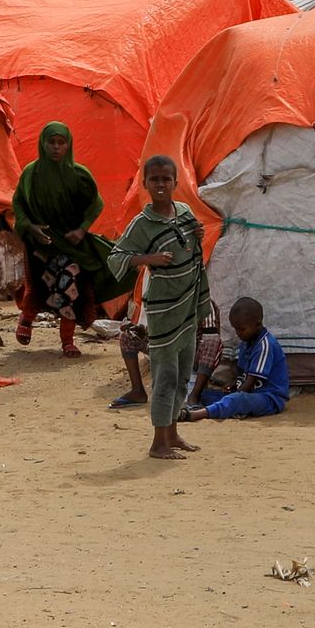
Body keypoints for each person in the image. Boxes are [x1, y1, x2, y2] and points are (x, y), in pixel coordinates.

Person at [108, 155, 214, 460]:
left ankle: (173, 434)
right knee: (165, 374)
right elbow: (116, 257)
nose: (160, 184)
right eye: (154, 179)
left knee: (182, 373)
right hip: (163, 308)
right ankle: (158, 443)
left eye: (166, 179)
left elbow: (191, 248)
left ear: (175, 183)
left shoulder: (184, 212)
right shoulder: (142, 224)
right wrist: (148, 260)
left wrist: (198, 236)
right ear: (144, 183)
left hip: (187, 305)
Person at [10, 122, 135, 356]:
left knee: (72, 285)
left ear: (68, 145)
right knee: (38, 286)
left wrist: (81, 229)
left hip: (71, 245)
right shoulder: (31, 174)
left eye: (61, 142)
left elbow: (96, 204)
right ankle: (26, 318)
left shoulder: (79, 175)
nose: (56, 147)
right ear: (42, 144)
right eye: (51, 142)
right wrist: (31, 227)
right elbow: (18, 203)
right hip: (40, 244)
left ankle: (67, 340)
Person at [188, 297, 290, 422]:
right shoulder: (246, 343)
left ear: (257, 324)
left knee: (236, 400)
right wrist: (233, 386)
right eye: (235, 329)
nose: (238, 333)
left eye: (241, 329)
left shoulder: (265, 345)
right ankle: (234, 409)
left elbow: (251, 381)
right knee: (207, 395)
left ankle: (198, 414)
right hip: (250, 394)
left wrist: (235, 394)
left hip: (269, 398)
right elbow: (241, 374)